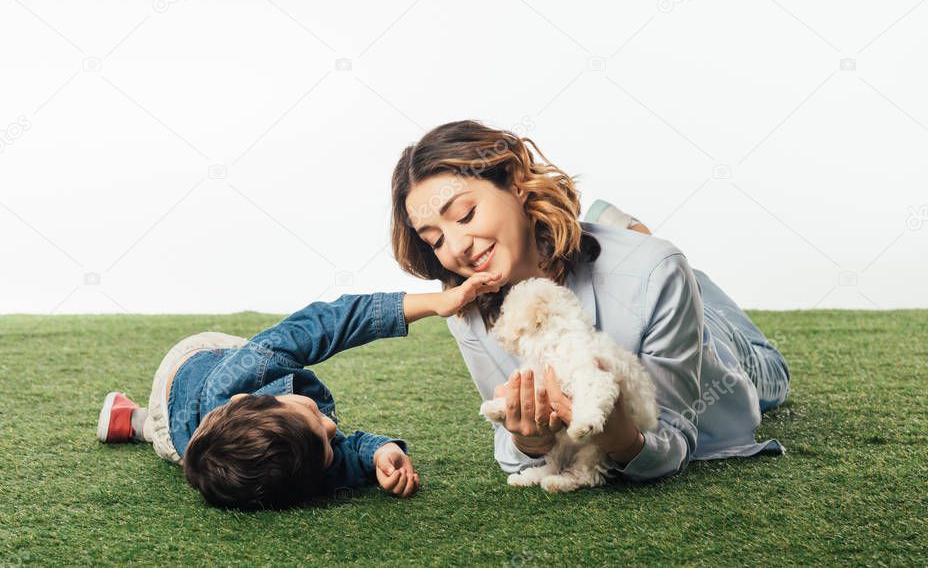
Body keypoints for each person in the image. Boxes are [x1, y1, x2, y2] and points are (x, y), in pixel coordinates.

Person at [390, 120, 791, 482]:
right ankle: (640, 244)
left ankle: (667, 263)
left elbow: (674, 436)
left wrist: (623, 438)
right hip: (652, 279)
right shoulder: (466, 310)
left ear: (514, 180)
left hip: (712, 349)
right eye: (435, 240)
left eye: (464, 215)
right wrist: (529, 443)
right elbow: (506, 436)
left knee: (771, 373)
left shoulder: (656, 271)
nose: (457, 247)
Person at [96, 282, 500, 510]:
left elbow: (329, 322)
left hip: (192, 360)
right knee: (185, 452)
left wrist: (435, 303)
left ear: (253, 399)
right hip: (183, 438)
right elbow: (336, 461)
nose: (331, 424)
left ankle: (138, 422)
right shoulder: (295, 471)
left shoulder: (243, 375)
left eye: (316, 424)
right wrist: (378, 453)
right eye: (327, 443)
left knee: (261, 354)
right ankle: (136, 422)